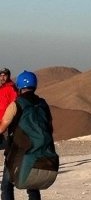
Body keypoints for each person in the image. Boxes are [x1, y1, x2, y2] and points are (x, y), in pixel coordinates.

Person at [0, 70, 54, 200]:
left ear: (19, 86)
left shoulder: (16, 104)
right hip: (40, 152)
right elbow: (49, 127)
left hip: (18, 152)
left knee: (7, 184)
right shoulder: (43, 104)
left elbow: (2, 127)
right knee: (33, 186)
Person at [0, 68, 18, 148]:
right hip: (1, 118)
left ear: (8, 76)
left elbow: (14, 103)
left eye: (5, 75)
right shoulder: (1, 88)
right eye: (1, 75)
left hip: (8, 118)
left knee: (12, 139)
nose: (2, 77)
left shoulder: (12, 88)